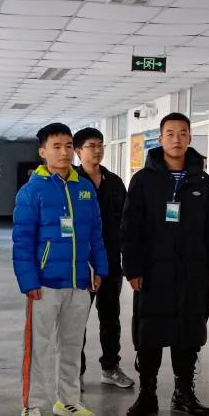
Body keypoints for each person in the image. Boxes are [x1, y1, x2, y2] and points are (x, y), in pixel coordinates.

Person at [121, 112, 209, 416]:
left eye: (182, 133)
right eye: (170, 133)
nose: (176, 139)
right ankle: (147, 394)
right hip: (154, 272)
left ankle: (184, 394)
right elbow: (130, 228)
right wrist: (133, 268)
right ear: (160, 139)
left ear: (190, 138)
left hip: (193, 272)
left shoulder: (201, 181)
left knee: (188, 334)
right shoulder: (143, 180)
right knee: (149, 333)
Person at [13, 123, 109, 416]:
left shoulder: (84, 188)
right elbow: (22, 240)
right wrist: (29, 281)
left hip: (79, 282)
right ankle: (31, 405)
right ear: (42, 152)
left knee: (71, 345)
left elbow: (95, 233)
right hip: (44, 284)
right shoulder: (32, 191)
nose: (64, 152)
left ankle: (68, 400)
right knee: (38, 348)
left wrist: (100, 268)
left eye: (69, 146)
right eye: (57, 146)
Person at [74, 127, 134, 390]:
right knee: (77, 320)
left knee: (110, 318)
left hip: (110, 262)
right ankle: (75, 372)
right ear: (78, 151)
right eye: (91, 146)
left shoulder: (115, 182)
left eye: (100, 145)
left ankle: (110, 367)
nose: (97, 150)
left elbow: (127, 222)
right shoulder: (70, 182)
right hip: (80, 264)